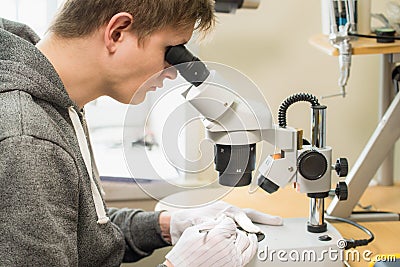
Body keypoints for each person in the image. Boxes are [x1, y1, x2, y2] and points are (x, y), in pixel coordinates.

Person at [0, 1, 283, 266]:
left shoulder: (58, 101)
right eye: (170, 51)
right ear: (118, 32)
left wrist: (167, 225)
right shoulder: (30, 141)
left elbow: (78, 234)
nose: (173, 73)